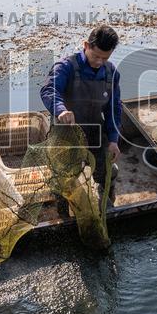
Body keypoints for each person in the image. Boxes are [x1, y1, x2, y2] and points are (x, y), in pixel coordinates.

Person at [40, 24, 123, 207]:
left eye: (105, 58)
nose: (100, 62)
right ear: (86, 45)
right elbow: (49, 90)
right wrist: (61, 110)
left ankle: (107, 203)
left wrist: (114, 140)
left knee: (106, 171)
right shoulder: (66, 67)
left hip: (95, 131)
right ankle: (61, 210)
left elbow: (114, 109)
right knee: (64, 177)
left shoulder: (111, 73)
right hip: (66, 134)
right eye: (96, 56)